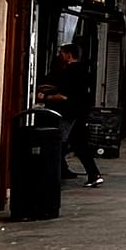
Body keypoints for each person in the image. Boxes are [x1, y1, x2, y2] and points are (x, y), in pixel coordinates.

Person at [41, 46, 101, 187]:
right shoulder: (84, 71)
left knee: (63, 142)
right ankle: (86, 173)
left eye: (61, 53)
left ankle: (52, 174)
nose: (59, 56)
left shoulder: (69, 72)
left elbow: (63, 96)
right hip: (79, 112)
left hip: (69, 114)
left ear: (68, 55)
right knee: (76, 144)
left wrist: (45, 96)